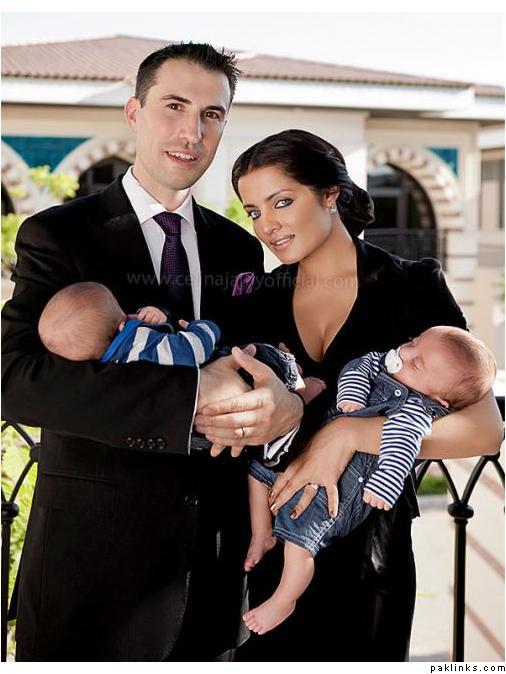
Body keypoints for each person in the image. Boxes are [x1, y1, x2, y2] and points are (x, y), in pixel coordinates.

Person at [1, 45, 304, 662]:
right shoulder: (59, 235)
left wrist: (286, 404)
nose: (192, 132)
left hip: (213, 579)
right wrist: (190, 396)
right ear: (134, 113)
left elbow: (256, 361)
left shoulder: (238, 248)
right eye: (174, 106)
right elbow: (15, 379)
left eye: (212, 115)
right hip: (92, 580)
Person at [193, 129, 503, 661]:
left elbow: (484, 428)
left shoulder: (411, 285)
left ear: (330, 194)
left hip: (371, 553)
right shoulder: (258, 298)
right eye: (254, 211)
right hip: (269, 547)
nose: (267, 225)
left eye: (282, 202)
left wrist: (348, 435)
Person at [241, 325, 496, 635]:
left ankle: (284, 599)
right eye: (412, 342)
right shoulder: (383, 364)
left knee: (300, 543)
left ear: (440, 399)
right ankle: (262, 534)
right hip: (295, 460)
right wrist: (353, 394)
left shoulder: (415, 411)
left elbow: (401, 448)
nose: (404, 354)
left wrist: (381, 483)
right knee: (257, 474)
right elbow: (359, 367)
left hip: (342, 491)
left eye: (417, 364)